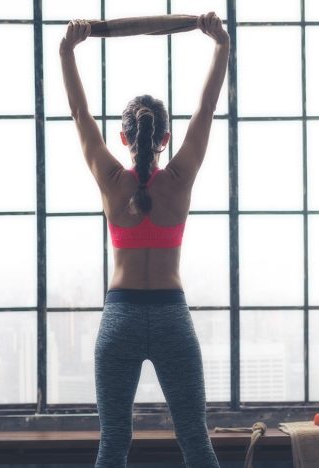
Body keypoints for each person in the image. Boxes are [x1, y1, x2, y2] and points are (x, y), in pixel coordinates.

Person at [59, 12, 229, 468]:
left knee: (114, 440)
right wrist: (221, 46)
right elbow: (208, 110)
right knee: (195, 438)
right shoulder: (178, 179)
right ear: (165, 137)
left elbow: (78, 113)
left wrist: (66, 51)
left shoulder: (113, 181)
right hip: (172, 316)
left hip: (120, 321)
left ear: (123, 136)